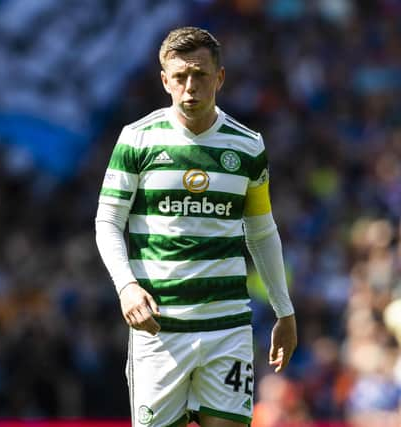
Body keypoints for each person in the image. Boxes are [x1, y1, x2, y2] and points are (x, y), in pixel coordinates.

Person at [95, 27, 297, 427]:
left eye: (200, 75)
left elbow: (260, 231)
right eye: (181, 76)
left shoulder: (247, 146)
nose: (191, 86)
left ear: (219, 78)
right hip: (160, 329)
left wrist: (284, 311)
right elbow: (108, 221)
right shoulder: (137, 140)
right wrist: (126, 286)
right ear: (165, 80)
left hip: (228, 328)